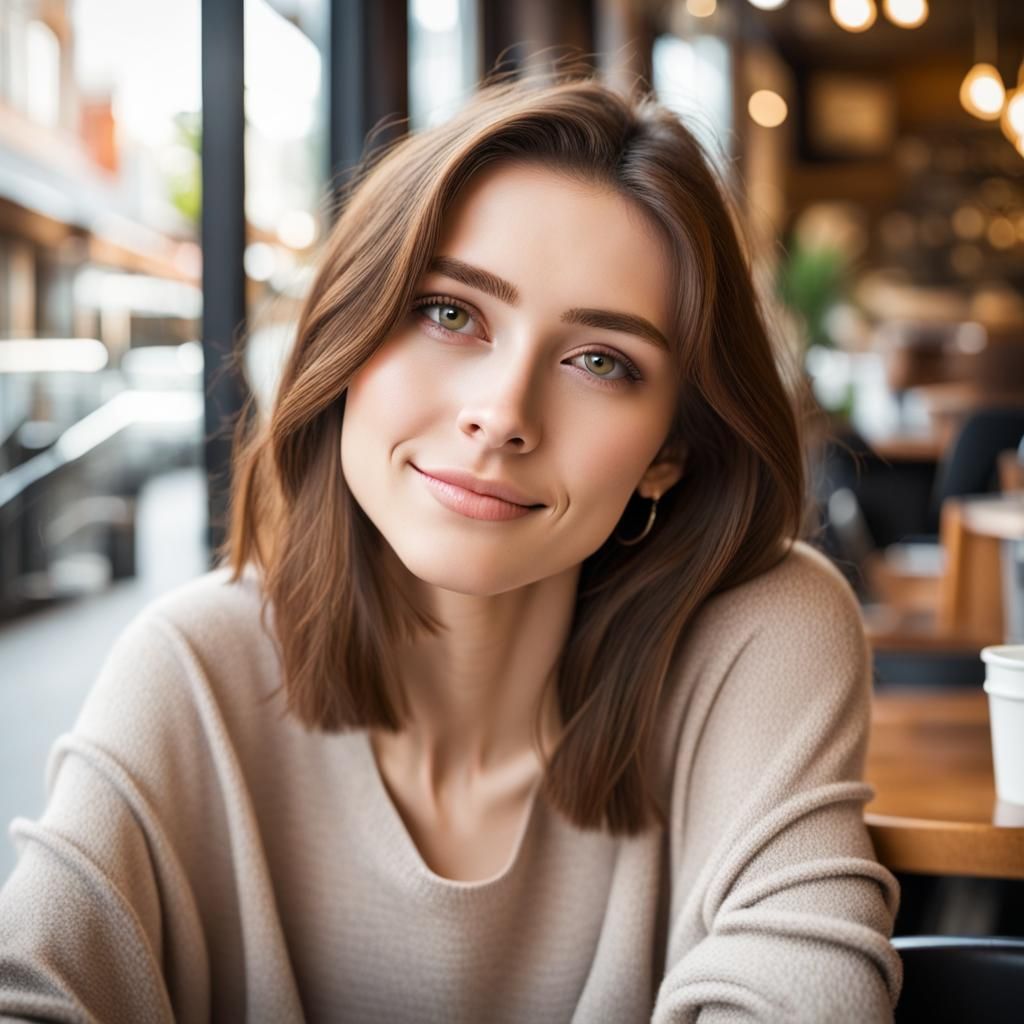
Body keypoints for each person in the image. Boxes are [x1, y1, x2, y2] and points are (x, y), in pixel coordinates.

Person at [0, 71, 902, 1022]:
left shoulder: (759, 639)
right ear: (349, 339)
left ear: (668, 454)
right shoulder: (193, 671)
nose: (502, 416)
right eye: (451, 312)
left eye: (600, 362)